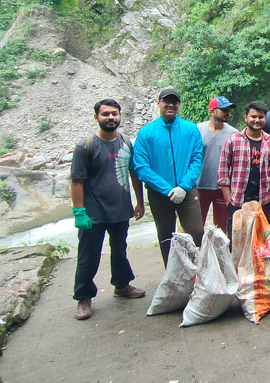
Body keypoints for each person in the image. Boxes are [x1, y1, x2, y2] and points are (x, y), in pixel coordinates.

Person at [71, 99, 146, 320]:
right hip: (94, 213)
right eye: (105, 114)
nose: (110, 117)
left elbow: (134, 174)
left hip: (121, 210)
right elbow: (77, 181)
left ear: (120, 116)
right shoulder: (85, 145)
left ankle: (122, 285)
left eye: (114, 113)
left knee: (120, 250)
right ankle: (83, 297)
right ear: (96, 117)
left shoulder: (126, 143)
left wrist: (139, 202)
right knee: (89, 255)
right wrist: (79, 213)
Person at [132, 87, 204, 266]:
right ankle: (172, 274)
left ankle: (199, 270)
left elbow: (196, 159)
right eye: (166, 101)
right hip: (159, 193)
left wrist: (183, 186)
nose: (170, 105)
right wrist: (167, 189)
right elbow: (141, 167)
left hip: (186, 190)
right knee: (165, 235)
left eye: (174, 102)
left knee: (196, 231)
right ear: (159, 103)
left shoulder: (190, 129)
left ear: (179, 104)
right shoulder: (146, 132)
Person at [218, 101, 270, 242]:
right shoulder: (233, 141)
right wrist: (227, 199)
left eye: (261, 117)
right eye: (253, 117)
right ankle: (237, 265)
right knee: (236, 241)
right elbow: (223, 171)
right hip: (237, 200)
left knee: (260, 242)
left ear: (265, 119)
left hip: (264, 201)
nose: (257, 120)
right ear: (246, 118)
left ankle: (258, 265)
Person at [197, 96, 237, 232]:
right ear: (212, 111)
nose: (227, 113)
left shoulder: (233, 133)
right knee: (195, 225)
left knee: (221, 227)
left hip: (222, 187)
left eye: (228, 110)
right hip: (199, 185)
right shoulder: (197, 130)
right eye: (223, 110)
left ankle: (219, 252)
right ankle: (194, 252)